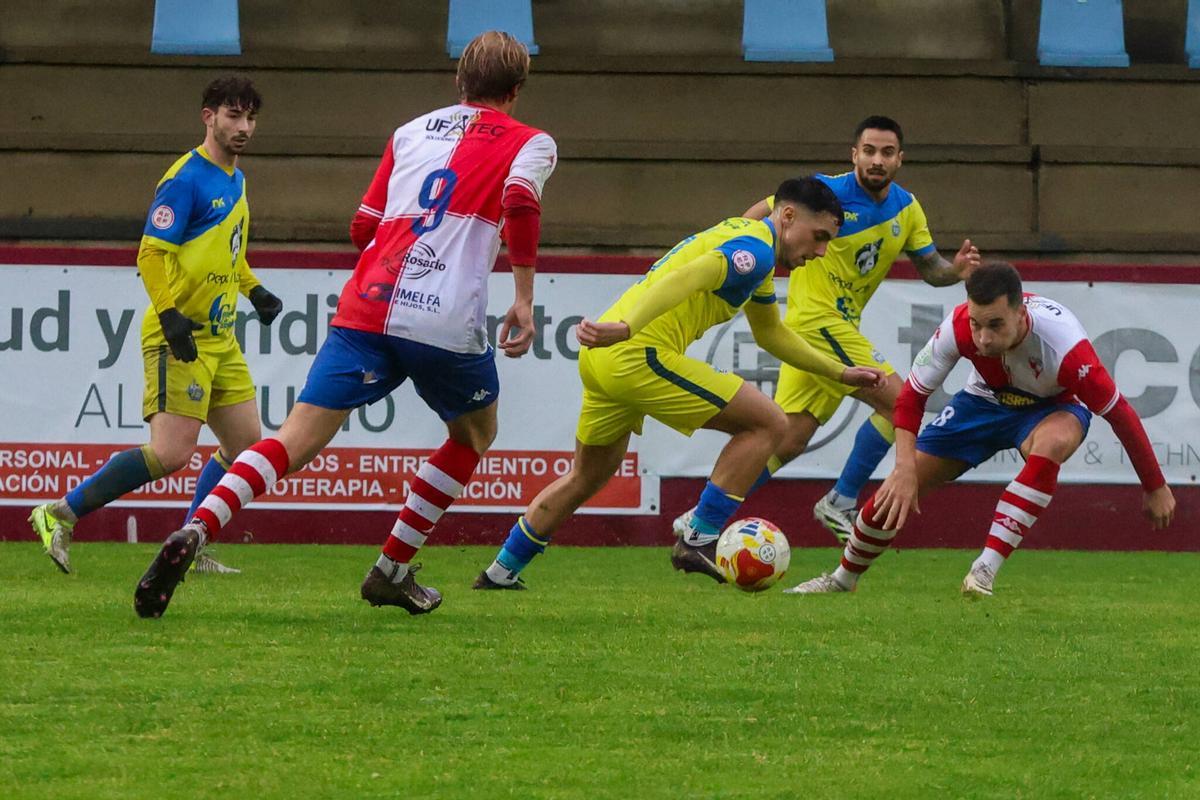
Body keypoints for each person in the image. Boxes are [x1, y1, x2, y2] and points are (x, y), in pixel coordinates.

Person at [132, 30, 557, 618]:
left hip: (367, 306)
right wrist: (525, 296)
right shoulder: (532, 142)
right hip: (444, 319)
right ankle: (391, 568)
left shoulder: (409, 132)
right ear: (515, 90)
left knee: (292, 438)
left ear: (459, 81)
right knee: (474, 434)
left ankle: (199, 529)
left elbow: (363, 228)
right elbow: (519, 203)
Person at [473, 177, 886, 590]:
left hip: (603, 360)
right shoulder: (757, 250)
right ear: (789, 216)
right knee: (771, 424)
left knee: (587, 476)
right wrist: (628, 326)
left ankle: (501, 571)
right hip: (636, 352)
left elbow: (771, 334)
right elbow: (691, 276)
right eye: (819, 237)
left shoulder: (748, 241)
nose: (821, 252)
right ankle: (699, 536)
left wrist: (839, 372)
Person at [787, 261, 1176, 596]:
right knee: (895, 491)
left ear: (1022, 313)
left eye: (995, 325)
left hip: (1051, 407)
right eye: (977, 324)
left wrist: (1154, 485)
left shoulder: (1066, 349)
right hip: (981, 403)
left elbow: (1120, 413)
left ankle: (984, 569)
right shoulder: (958, 326)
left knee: (1052, 443)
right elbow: (910, 398)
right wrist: (904, 468)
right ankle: (842, 579)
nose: (984, 338)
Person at [28, 76, 281, 576]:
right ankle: (59, 512)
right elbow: (150, 253)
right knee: (170, 454)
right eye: (233, 115)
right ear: (208, 116)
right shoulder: (185, 179)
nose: (244, 127)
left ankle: (189, 545)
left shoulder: (236, 179)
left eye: (250, 117)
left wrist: (253, 290)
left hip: (221, 339)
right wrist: (169, 315)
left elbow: (228, 252)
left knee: (246, 447)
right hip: (179, 335)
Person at [737, 116, 980, 544]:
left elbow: (930, 268)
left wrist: (955, 271)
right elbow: (759, 214)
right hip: (817, 321)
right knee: (901, 402)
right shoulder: (823, 193)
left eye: (886, 152)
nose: (876, 160)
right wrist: (743, 248)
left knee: (790, 438)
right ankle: (842, 499)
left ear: (899, 159)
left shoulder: (907, 208)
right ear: (854, 155)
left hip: (835, 326)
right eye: (868, 150)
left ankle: (701, 518)